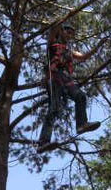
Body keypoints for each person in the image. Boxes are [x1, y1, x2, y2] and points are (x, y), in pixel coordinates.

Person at [37, 23, 101, 153]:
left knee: (80, 96)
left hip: (66, 78)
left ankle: (81, 124)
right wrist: (61, 22)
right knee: (54, 107)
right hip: (54, 76)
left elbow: (83, 57)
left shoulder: (69, 51)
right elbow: (52, 32)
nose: (69, 35)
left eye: (72, 33)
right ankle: (43, 142)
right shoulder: (52, 44)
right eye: (67, 31)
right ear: (61, 32)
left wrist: (99, 46)